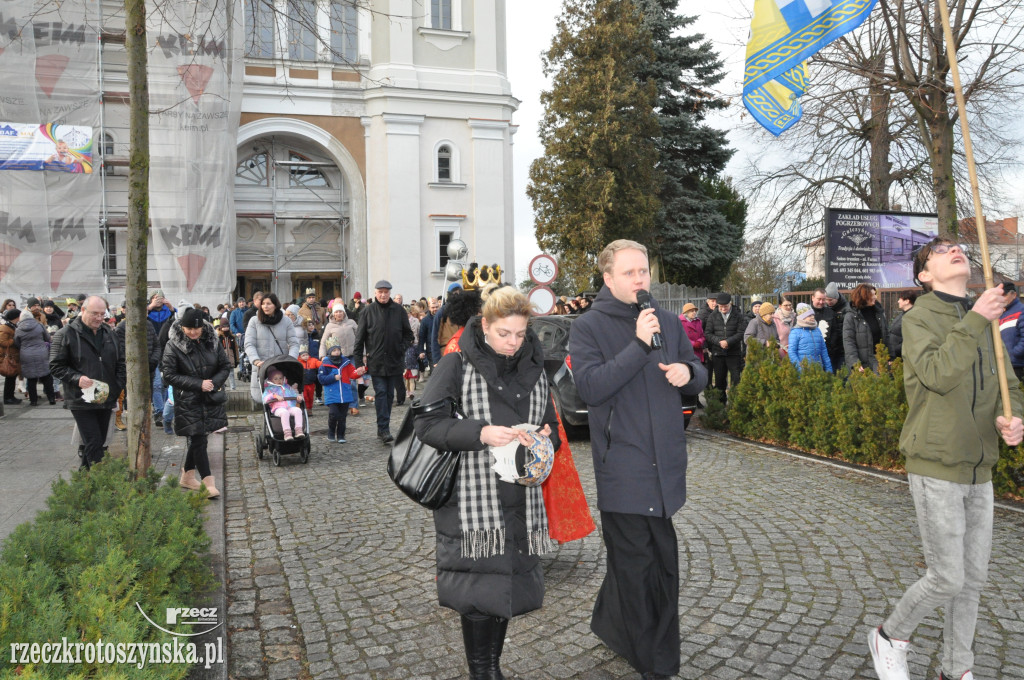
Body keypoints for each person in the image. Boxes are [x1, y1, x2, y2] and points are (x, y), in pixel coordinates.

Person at [867, 238, 1024, 680]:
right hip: (935, 462)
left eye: (958, 247)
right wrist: (976, 319)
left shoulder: (984, 317)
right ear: (924, 275)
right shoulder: (919, 318)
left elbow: (1009, 385)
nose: (954, 251)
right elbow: (936, 374)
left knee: (972, 582)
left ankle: (956, 669)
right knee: (947, 577)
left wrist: (1013, 420)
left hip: (980, 466)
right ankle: (889, 635)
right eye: (940, 251)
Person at [569, 240, 707, 680]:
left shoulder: (667, 320)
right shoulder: (588, 326)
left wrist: (690, 375)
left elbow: (695, 371)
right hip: (623, 468)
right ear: (607, 278)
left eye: (643, 271)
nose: (640, 280)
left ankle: (609, 624)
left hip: (665, 466)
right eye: (629, 273)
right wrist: (638, 346)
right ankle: (658, 664)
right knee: (645, 571)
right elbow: (590, 388)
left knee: (653, 562)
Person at [414, 286, 561, 680]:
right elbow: (426, 425)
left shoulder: (535, 365)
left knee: (504, 588)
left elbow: (554, 428)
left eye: (519, 333)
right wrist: (481, 433)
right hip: (470, 502)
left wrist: (544, 437)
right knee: (478, 594)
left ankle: (491, 667)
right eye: (503, 334)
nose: (512, 343)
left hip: (520, 499)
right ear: (485, 325)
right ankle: (484, 672)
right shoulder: (456, 362)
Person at [160, 307, 230, 498]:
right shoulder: (173, 345)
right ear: (182, 327)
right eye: (188, 328)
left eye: (195, 329)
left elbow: (225, 366)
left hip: (210, 398)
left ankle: (187, 476)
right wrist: (198, 384)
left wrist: (213, 383)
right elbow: (169, 375)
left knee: (199, 437)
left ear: (202, 327)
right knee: (198, 438)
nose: (192, 332)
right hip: (188, 399)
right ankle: (208, 482)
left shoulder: (212, 341)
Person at [49, 296, 126, 468]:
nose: (99, 318)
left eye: (102, 314)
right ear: (82, 311)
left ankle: (85, 481)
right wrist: (77, 378)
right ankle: (99, 482)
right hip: (80, 398)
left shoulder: (109, 333)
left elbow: (121, 362)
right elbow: (55, 366)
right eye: (94, 314)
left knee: (98, 442)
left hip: (106, 395)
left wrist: (116, 386)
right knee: (94, 441)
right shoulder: (65, 334)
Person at [353, 280, 413, 443]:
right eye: (380, 291)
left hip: (394, 361)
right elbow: (359, 340)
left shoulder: (399, 311)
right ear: (375, 293)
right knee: (381, 393)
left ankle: (383, 426)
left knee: (388, 395)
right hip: (376, 362)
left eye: (386, 292)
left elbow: (409, 336)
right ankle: (383, 428)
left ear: (390, 293)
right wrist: (358, 362)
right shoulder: (367, 311)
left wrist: (401, 348)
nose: (383, 294)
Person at [244, 293, 301, 404]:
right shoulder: (254, 321)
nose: (265, 306)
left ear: (275, 305)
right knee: (266, 402)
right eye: (263, 304)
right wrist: (255, 360)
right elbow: (249, 343)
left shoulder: (286, 321)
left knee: (283, 402)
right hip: (262, 367)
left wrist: (290, 359)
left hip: (281, 366)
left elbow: (294, 343)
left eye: (268, 303)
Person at [318, 342, 365, 443]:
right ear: (330, 352)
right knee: (333, 414)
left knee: (343, 416)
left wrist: (358, 372)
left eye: (338, 350)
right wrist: (333, 377)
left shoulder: (346, 362)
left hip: (345, 393)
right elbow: (321, 379)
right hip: (332, 394)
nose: (337, 352)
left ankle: (341, 435)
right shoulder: (325, 364)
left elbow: (352, 374)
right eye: (334, 350)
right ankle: (331, 432)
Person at [704, 292, 744, 395]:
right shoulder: (713, 316)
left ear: (730, 303)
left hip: (734, 352)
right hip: (718, 353)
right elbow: (708, 333)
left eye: (725, 306)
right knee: (719, 380)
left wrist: (728, 341)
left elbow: (741, 333)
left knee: (736, 378)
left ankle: (735, 402)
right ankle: (721, 404)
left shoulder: (738, 315)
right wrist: (719, 342)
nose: (722, 309)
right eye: (720, 306)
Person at [844, 283, 890, 372]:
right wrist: (855, 362)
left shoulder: (879, 313)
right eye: (873, 295)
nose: (875, 297)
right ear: (864, 297)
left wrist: (891, 357)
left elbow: (886, 335)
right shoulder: (850, 316)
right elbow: (848, 342)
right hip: (862, 365)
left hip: (881, 361)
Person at [15, 309, 55, 405]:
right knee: (46, 376)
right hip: (41, 353)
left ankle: (33, 401)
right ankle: (51, 399)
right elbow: (47, 338)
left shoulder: (18, 329)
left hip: (26, 354)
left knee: (31, 378)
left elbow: (17, 342)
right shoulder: (39, 325)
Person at [262, 367, 305, 441]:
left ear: (284, 378)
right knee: (284, 413)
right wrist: (274, 395)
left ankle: (298, 430)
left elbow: (293, 394)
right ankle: (287, 433)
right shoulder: (269, 389)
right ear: (271, 380)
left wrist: (298, 397)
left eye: (280, 378)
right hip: (278, 408)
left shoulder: (287, 387)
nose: (279, 380)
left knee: (298, 410)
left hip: (289, 406)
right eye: (276, 379)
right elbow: (265, 399)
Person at [788, 303, 832, 372]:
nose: (812, 317)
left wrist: (829, 369)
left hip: (817, 370)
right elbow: (792, 352)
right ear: (802, 317)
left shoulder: (817, 330)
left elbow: (823, 351)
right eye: (809, 315)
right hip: (803, 371)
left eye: (812, 315)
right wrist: (800, 368)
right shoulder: (795, 332)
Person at [998, 282, 1024, 380]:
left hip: (1016, 365)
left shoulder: (1021, 311)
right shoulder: (999, 313)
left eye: (1004, 295)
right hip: (1003, 363)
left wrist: (1013, 354)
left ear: (1014, 295)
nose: (1001, 298)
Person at [824, 282, 849, 371]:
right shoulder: (826, 309)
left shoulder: (846, 309)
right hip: (830, 349)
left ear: (836, 298)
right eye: (826, 299)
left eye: (830, 300)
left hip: (842, 349)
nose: (828, 302)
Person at [1, 309, 22, 405]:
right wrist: (14, 340)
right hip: (8, 356)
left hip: (13, 356)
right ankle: (7, 398)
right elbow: (3, 342)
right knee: (10, 377)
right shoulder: (5, 328)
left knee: (12, 377)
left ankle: (10, 396)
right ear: (16, 317)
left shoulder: (12, 326)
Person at [888, 290, 917, 360]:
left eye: (900, 299)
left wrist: (895, 350)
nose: (898, 301)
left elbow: (911, 340)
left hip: (901, 357)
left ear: (907, 301)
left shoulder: (913, 316)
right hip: (894, 356)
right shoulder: (902, 314)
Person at [215, 321, 239, 389]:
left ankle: (233, 388)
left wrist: (236, 360)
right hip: (222, 360)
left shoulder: (232, 337)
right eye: (224, 327)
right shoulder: (218, 338)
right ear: (221, 327)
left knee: (231, 374)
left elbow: (236, 350)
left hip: (231, 359)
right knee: (222, 375)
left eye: (227, 327)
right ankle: (222, 388)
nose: (226, 328)